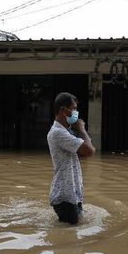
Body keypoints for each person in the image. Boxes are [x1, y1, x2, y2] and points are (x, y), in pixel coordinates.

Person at [47, 92, 96, 225]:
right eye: (73, 109)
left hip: (72, 193)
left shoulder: (66, 131)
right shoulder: (58, 133)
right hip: (65, 195)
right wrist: (82, 128)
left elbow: (84, 153)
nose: (76, 112)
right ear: (63, 110)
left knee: (74, 228)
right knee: (69, 234)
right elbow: (90, 151)